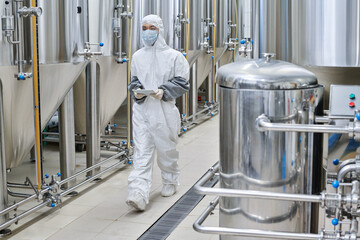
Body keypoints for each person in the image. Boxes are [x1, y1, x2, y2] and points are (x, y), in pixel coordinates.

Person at [126, 15, 190, 211]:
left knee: (166, 150)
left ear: (160, 30)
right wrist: (136, 91)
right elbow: (134, 80)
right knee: (142, 151)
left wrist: (164, 91)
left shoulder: (174, 56)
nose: (147, 31)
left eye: (151, 27)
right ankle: (138, 193)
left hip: (164, 110)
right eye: (144, 27)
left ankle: (170, 180)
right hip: (142, 110)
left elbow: (183, 82)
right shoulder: (137, 56)